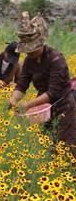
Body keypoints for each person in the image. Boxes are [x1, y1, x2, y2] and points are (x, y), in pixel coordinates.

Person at [8, 15, 76, 158]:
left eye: (32, 49)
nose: (29, 52)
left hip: (63, 106)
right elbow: (22, 85)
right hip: (43, 109)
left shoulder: (56, 58)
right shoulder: (28, 61)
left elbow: (53, 93)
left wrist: (28, 105)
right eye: (27, 50)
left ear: (41, 44)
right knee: (47, 144)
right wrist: (14, 98)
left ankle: (69, 175)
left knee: (65, 147)